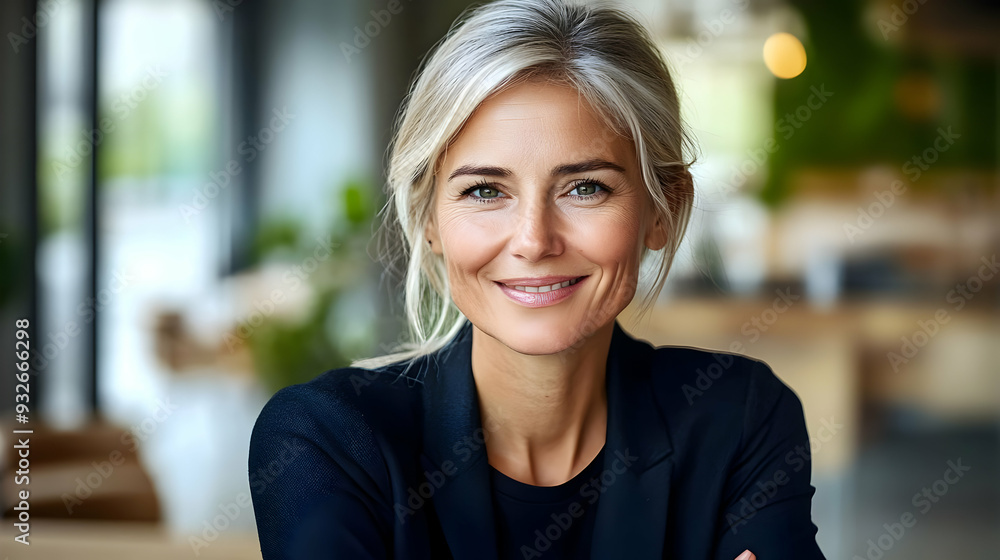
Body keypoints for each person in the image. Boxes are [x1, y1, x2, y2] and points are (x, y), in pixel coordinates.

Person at [249, 0, 826, 558]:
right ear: (429, 219)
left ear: (662, 210)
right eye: (485, 191)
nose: (533, 240)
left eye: (585, 187)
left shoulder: (740, 418)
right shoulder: (327, 439)